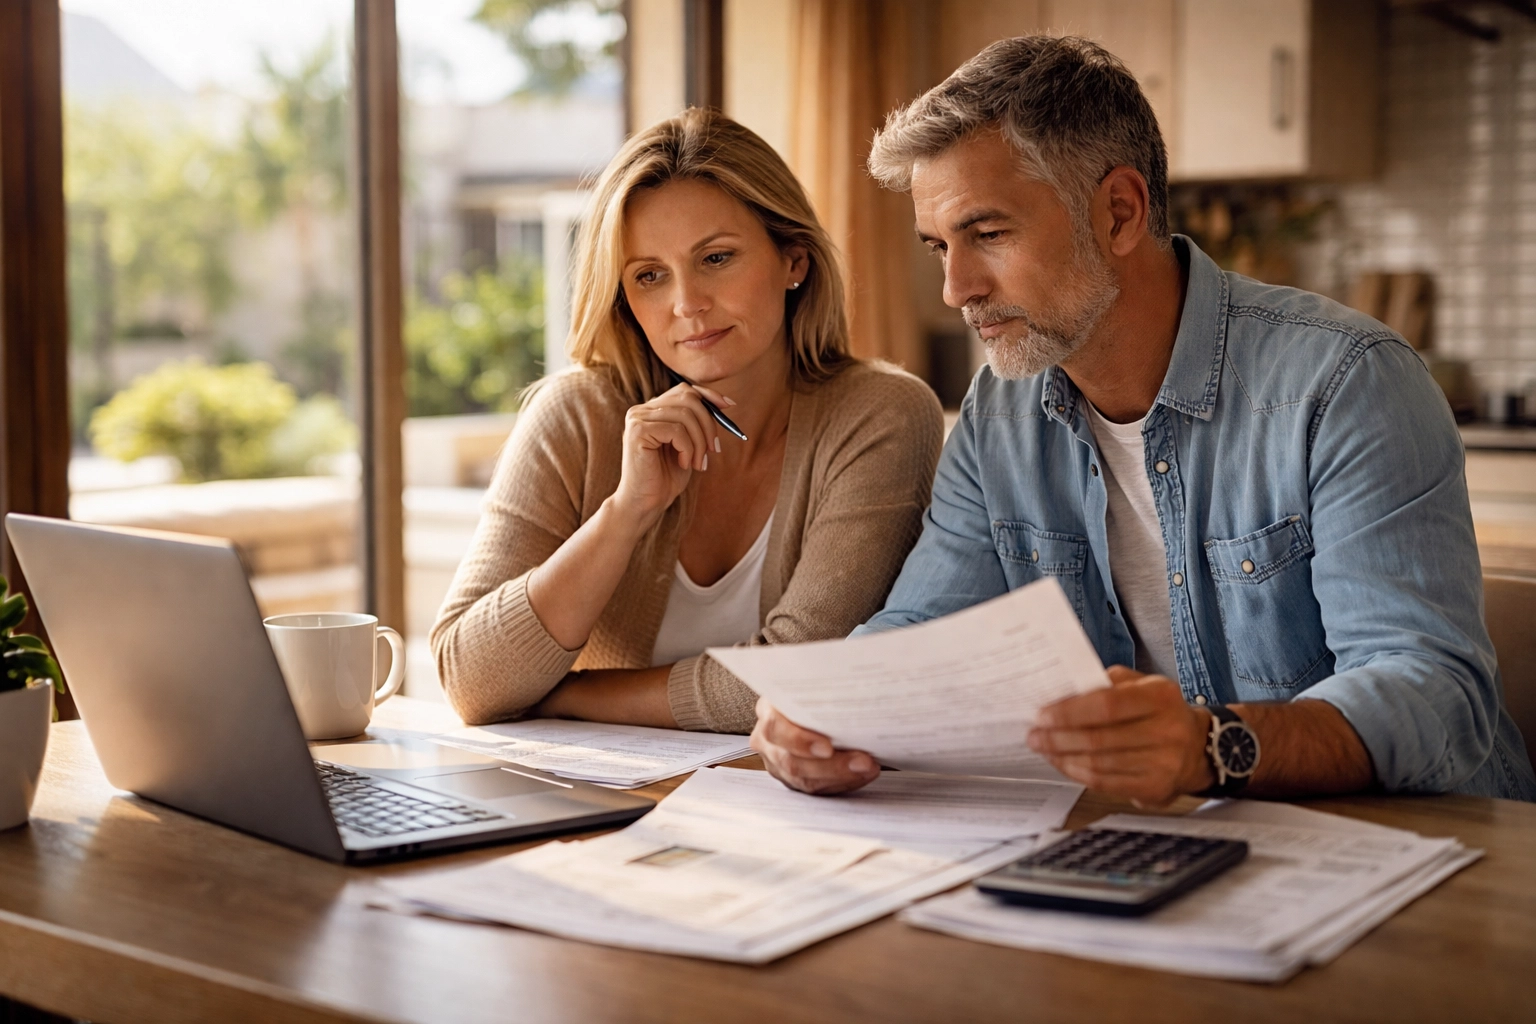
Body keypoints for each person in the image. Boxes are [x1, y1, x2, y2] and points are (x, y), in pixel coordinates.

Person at [751, 36, 1536, 803]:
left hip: (1434, 853)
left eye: (988, 234)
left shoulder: (1344, 383)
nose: (956, 288)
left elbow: (1435, 693)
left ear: (1120, 212)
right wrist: (822, 714)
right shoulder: (1000, 414)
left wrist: (1208, 747)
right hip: (1175, 846)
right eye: (937, 248)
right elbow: (921, 629)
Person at [431, 108, 943, 732]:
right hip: (604, 804)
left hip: (797, 809)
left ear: (794, 261)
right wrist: (626, 514)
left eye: (717, 258)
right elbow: (469, 680)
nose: (687, 304)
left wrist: (566, 695)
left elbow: (797, 679)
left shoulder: (879, 417)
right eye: (649, 276)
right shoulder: (575, 416)